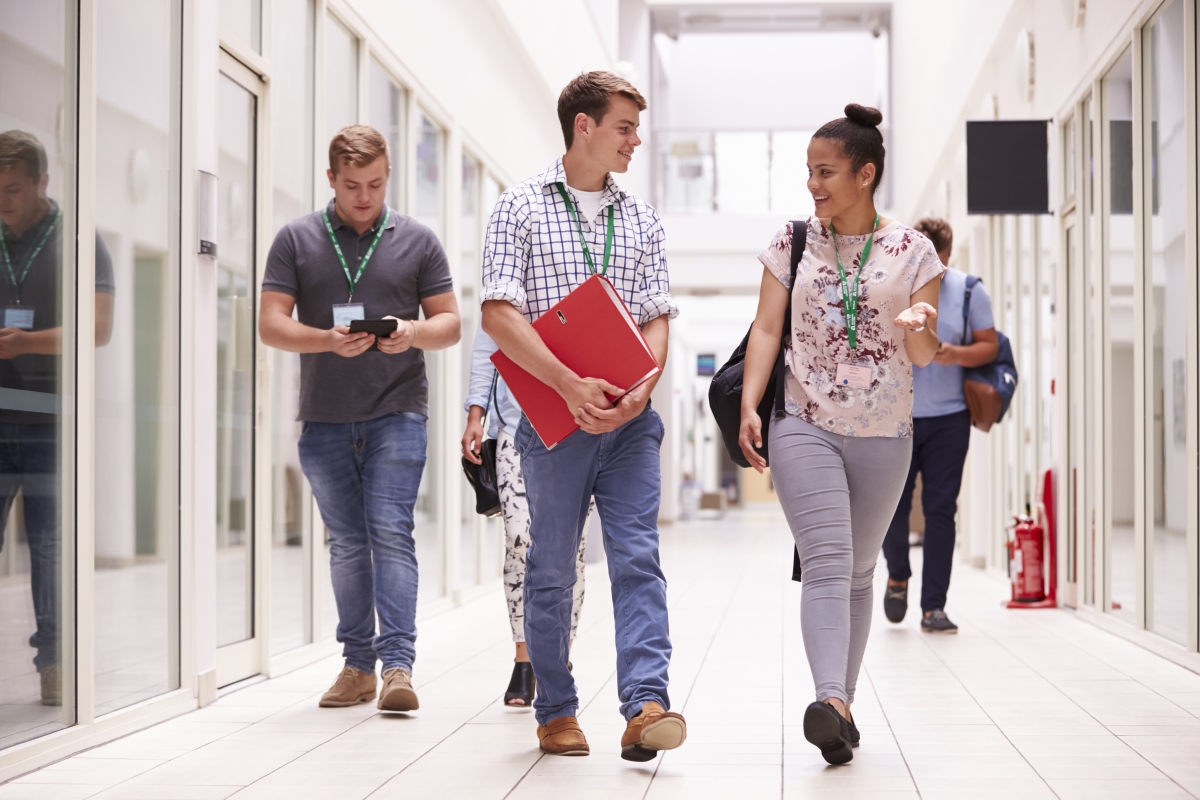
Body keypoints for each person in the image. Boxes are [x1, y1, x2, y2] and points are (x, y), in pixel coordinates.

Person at [481, 71, 686, 761]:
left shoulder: (643, 219)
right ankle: (557, 709)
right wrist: (568, 384)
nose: (635, 139)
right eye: (624, 126)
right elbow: (499, 313)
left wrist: (642, 386)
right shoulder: (520, 208)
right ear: (584, 127)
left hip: (630, 425)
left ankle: (645, 704)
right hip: (552, 425)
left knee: (637, 558)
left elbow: (657, 317)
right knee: (552, 570)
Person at [737, 104, 945, 765]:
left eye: (825, 172)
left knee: (860, 569)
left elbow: (924, 357)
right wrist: (749, 405)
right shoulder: (791, 242)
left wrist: (919, 325)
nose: (813, 185)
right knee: (826, 562)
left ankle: (841, 708)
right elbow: (767, 329)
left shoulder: (912, 251)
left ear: (865, 174)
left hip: (886, 432)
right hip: (804, 423)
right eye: (808, 171)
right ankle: (829, 699)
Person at [259, 125, 461, 712]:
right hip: (323, 419)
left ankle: (398, 667)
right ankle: (357, 666)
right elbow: (271, 323)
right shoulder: (296, 239)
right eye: (352, 186)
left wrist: (412, 333)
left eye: (375, 184)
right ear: (331, 180)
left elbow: (449, 322)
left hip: (398, 410)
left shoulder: (419, 241)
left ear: (388, 175)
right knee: (347, 544)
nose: (365, 197)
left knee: (390, 531)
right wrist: (324, 339)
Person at [0, 130, 115, 706]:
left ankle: (55, 663)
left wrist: (25, 344)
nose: (4, 201)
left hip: (51, 422)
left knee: (48, 548)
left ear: (43, 183)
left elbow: (97, 329)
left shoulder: (76, 239)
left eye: (14, 189)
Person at [460, 322, 592, 707]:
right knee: (519, 540)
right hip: (514, 426)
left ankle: (558, 656)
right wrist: (475, 413)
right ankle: (525, 658)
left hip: (574, 424)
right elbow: (488, 342)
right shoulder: (508, 282)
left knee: (570, 547)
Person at [881, 218, 997, 634]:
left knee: (940, 510)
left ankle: (934, 607)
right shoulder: (894, 287)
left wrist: (955, 353)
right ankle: (897, 575)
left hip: (950, 418)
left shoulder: (969, 291)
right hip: (899, 415)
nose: (933, 271)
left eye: (940, 264)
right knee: (892, 507)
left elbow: (990, 346)